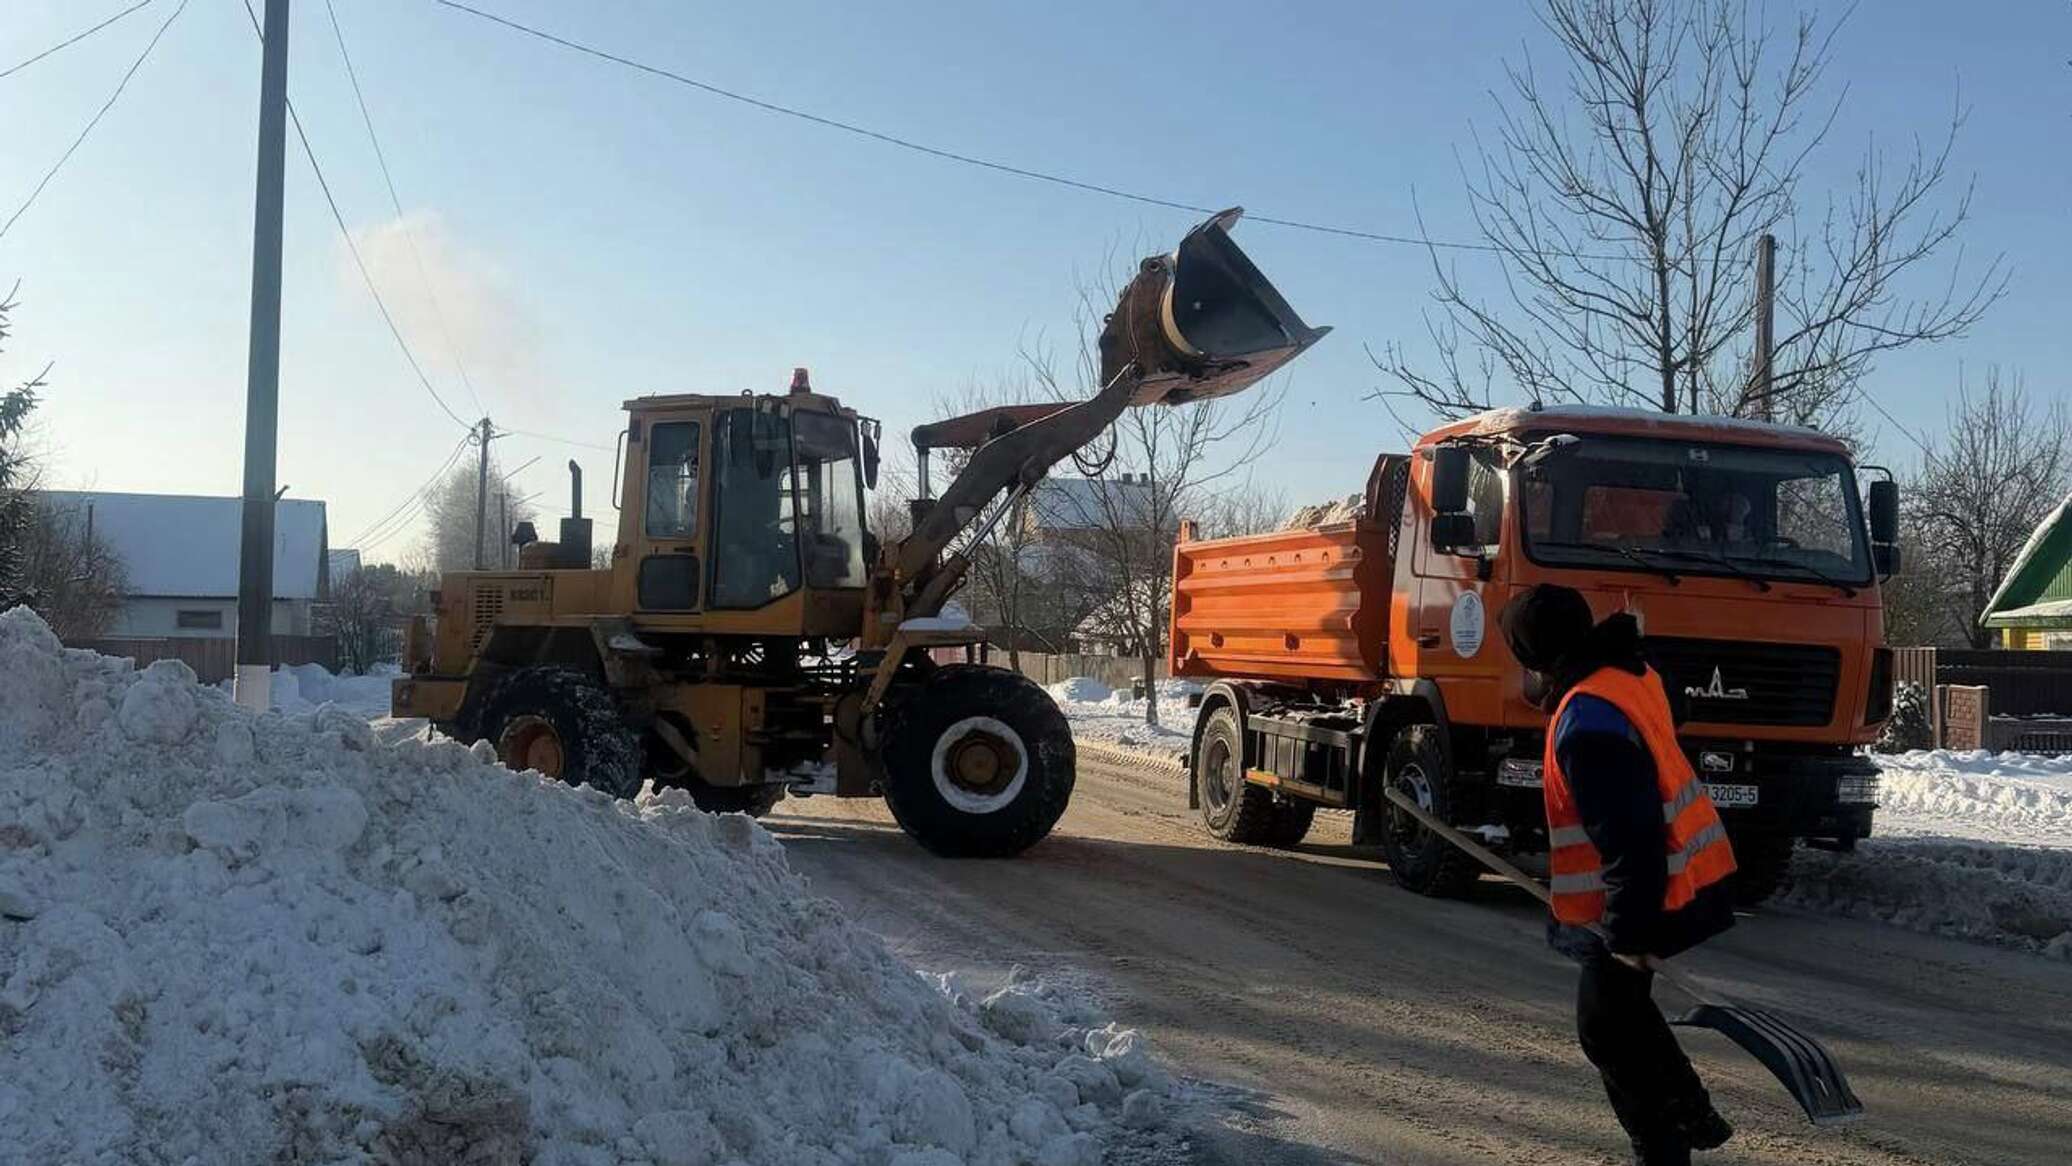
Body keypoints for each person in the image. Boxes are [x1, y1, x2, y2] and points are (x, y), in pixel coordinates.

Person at [1498, 584, 1740, 1166]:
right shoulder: (1627, 675)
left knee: (1605, 1026)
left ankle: (1669, 1140)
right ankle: (1689, 1114)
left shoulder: (1587, 721)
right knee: (1619, 1017)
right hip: (1681, 877)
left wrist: (1629, 936)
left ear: (1537, 657)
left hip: (1654, 889)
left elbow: (1631, 837)